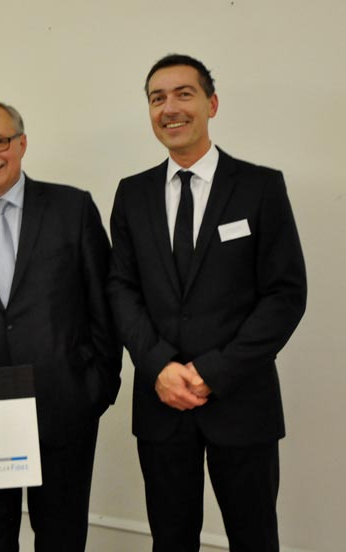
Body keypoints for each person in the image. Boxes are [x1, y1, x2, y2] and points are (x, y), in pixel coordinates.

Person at [107, 54, 307, 551]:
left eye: (183, 94)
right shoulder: (132, 195)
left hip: (242, 399)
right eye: (157, 99)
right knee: (171, 540)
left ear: (211, 104)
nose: (169, 108)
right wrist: (159, 367)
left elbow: (285, 295)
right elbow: (121, 290)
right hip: (161, 402)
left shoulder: (260, 187)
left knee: (254, 536)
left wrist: (213, 372)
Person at [0, 100, 121, 551]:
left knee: (62, 537)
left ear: (22, 143)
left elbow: (103, 307)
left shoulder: (73, 208)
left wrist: (97, 386)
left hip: (64, 406)